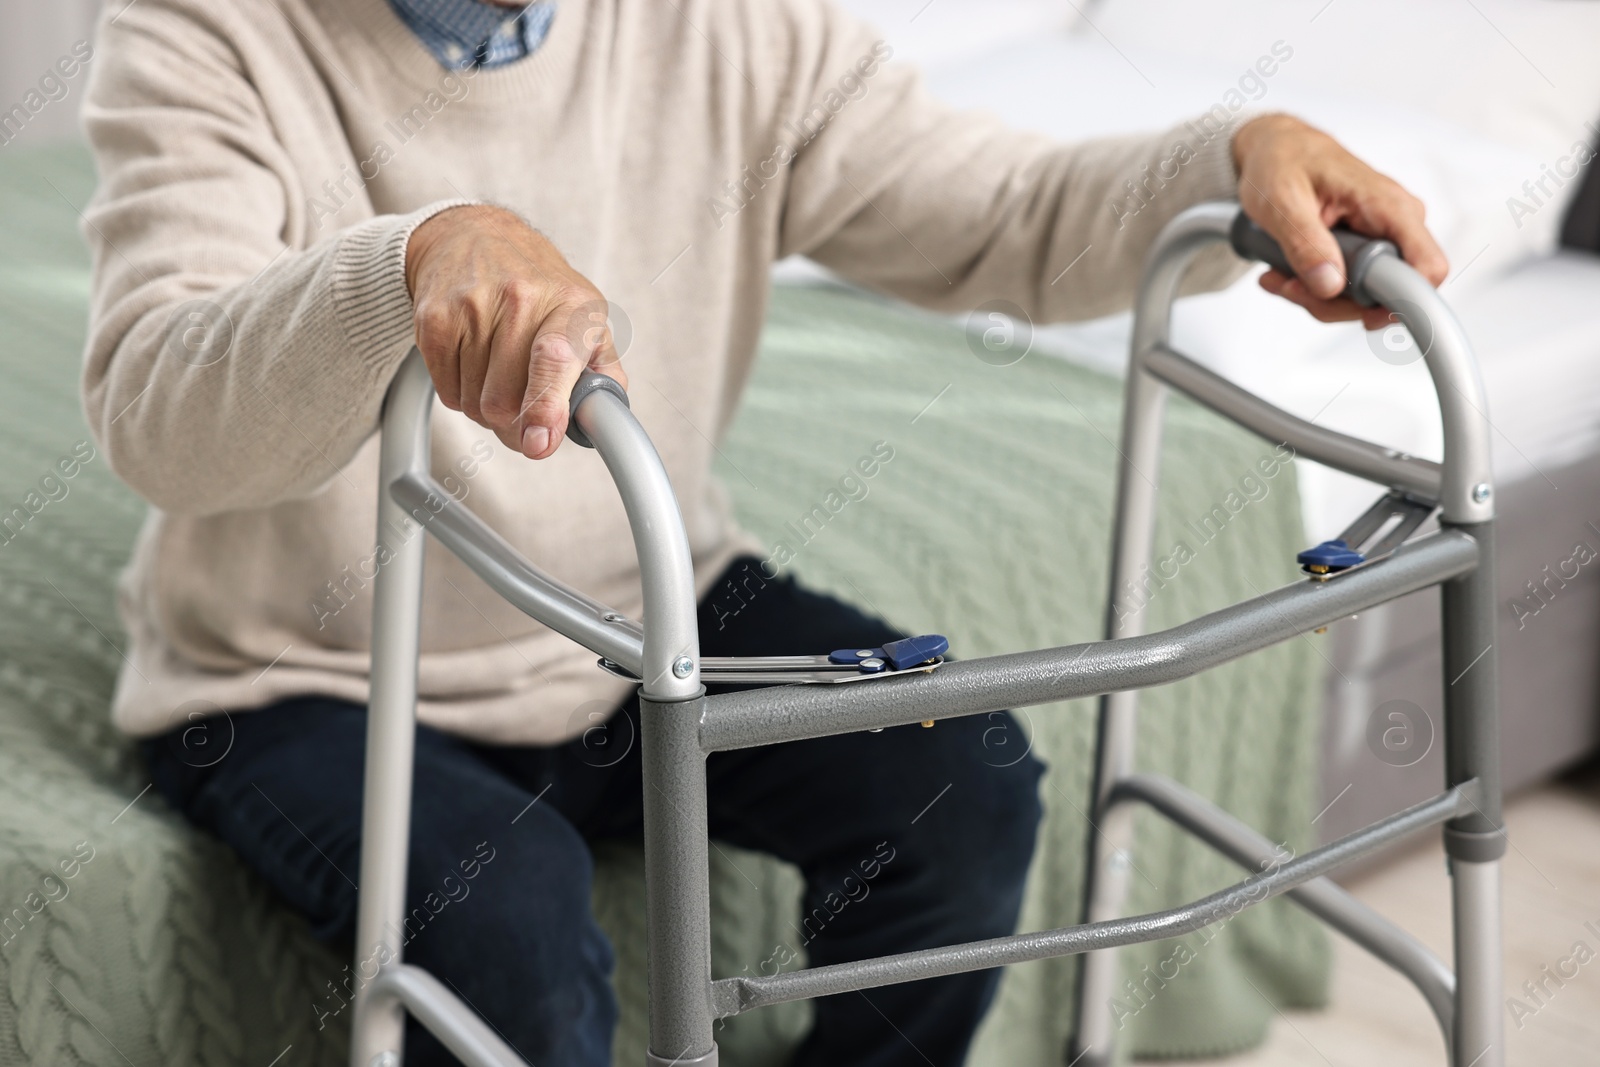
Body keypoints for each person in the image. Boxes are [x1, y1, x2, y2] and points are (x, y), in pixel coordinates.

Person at [77, 0, 1448, 1064]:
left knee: (963, 786)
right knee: (515, 922)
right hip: (302, 671)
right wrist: (412, 261)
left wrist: (1233, 161)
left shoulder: (728, 29)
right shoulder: (203, 31)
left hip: (642, 616)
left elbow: (1010, 216)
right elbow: (158, 416)